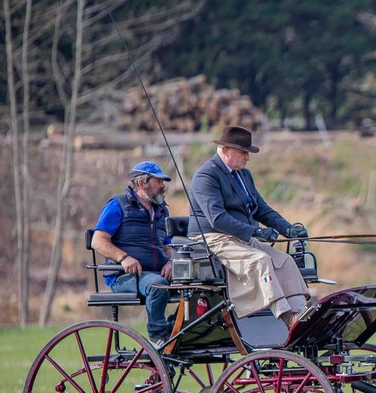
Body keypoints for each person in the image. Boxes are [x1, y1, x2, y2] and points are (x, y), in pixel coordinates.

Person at [188, 125, 310, 328]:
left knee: (286, 261)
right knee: (260, 260)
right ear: (225, 150)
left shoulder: (243, 175)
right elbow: (217, 218)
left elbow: (261, 209)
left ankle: (301, 313)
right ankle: (287, 316)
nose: (247, 158)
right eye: (243, 152)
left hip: (241, 238)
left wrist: (287, 229)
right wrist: (255, 231)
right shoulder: (206, 177)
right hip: (213, 238)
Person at [91, 161, 174, 344]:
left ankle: (178, 329)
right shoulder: (118, 205)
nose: (163, 186)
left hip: (156, 272)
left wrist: (170, 262)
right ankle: (158, 338)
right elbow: (98, 241)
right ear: (141, 183)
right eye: (158, 181)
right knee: (157, 286)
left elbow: (168, 245)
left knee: (198, 285)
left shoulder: (162, 211)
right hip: (125, 276)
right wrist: (124, 258)